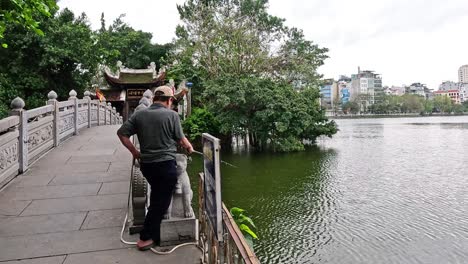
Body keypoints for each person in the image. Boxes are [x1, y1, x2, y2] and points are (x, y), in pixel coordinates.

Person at [117, 85, 193, 250]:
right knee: (160, 202)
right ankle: (146, 237)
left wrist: (135, 152)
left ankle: (155, 231)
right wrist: (189, 147)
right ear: (169, 100)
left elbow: (122, 133)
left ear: (153, 99)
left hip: (147, 166)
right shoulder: (172, 115)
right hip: (166, 166)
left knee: (157, 197)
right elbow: (181, 139)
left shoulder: (139, 114)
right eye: (172, 101)